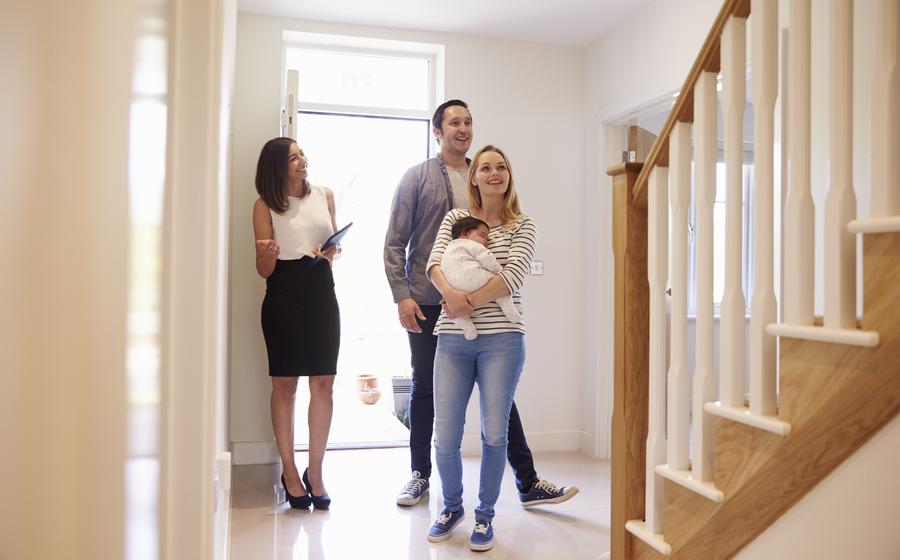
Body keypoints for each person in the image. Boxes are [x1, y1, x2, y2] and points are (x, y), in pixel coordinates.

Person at [383, 99, 578, 511]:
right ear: (437, 131)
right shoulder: (418, 178)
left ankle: (526, 481)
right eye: (454, 122)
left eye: (468, 122)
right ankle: (420, 476)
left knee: (499, 400)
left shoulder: (484, 175)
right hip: (429, 300)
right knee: (425, 390)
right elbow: (397, 242)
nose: (463, 129)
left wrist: (472, 298)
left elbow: (510, 267)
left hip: (488, 311)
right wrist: (402, 294)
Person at [425, 144, 536, 551]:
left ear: (509, 176)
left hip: (503, 341)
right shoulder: (456, 219)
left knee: (494, 433)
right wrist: (450, 294)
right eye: (485, 167)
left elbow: (513, 276)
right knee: (446, 434)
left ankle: (485, 517)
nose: (493, 173)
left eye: (501, 167)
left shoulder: (523, 225)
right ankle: (451, 506)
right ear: (473, 176)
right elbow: (434, 264)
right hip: (453, 339)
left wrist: (462, 301)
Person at [252, 137, 339, 510]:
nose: (303, 160)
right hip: (283, 293)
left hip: (321, 289)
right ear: (277, 167)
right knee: (284, 385)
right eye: (293, 157)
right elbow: (262, 270)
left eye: (302, 153)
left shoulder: (324, 194)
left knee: (324, 383)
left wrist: (331, 251)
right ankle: (289, 472)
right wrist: (268, 253)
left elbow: (332, 249)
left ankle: (314, 472)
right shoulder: (264, 205)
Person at [440, 215, 521, 339]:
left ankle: (467, 326)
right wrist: (499, 270)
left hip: (455, 288)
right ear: (465, 233)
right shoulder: (473, 245)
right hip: (476, 279)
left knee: (457, 314)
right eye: (483, 236)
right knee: (499, 284)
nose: (486, 241)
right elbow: (487, 259)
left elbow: (438, 267)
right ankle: (509, 309)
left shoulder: (447, 248)